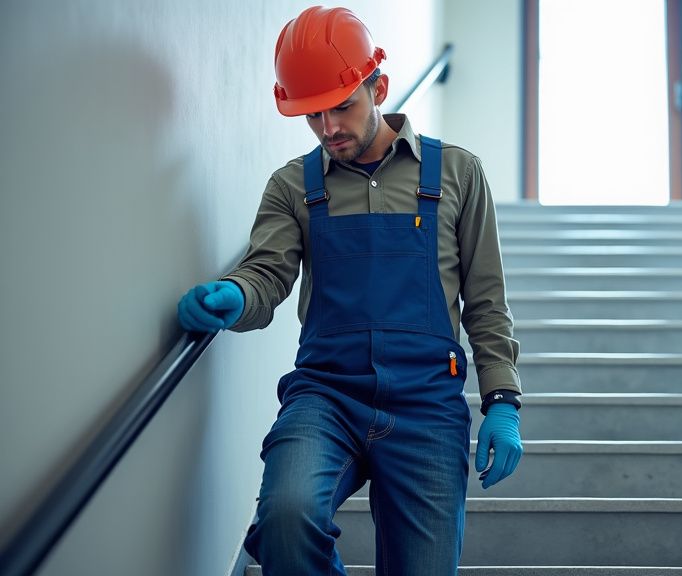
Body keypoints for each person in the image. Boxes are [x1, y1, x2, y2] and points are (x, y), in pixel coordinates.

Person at [176, 6, 523, 575]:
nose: (329, 128)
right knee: (285, 517)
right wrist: (235, 296)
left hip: (427, 405)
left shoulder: (458, 173)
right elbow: (265, 274)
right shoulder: (293, 185)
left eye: (343, 106)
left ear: (378, 87)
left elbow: (486, 303)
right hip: (326, 396)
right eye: (313, 115)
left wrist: (502, 403)